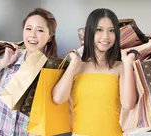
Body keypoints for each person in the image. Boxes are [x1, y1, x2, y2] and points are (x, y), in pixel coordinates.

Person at [0, 7, 58, 135]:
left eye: (40, 30)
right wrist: (3, 63)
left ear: (50, 36)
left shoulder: (53, 70)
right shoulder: (13, 57)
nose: (32, 35)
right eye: (28, 29)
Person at [52, 8, 137, 136]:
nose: (106, 36)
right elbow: (58, 98)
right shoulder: (76, 66)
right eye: (99, 30)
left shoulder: (121, 66)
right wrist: (74, 64)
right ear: (90, 32)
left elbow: (128, 104)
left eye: (111, 30)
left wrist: (128, 62)